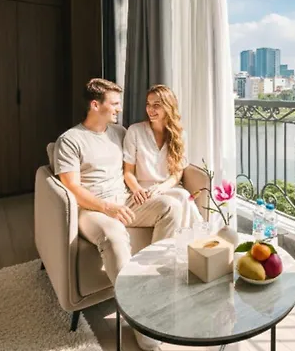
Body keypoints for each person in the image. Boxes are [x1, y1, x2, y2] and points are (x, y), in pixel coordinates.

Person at [52, 78, 179, 351]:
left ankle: (155, 280)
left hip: (124, 200)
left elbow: (135, 164)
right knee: (114, 235)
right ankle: (142, 321)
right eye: (115, 104)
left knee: (171, 206)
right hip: (91, 209)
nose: (119, 109)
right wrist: (107, 207)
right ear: (95, 105)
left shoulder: (119, 132)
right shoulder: (70, 140)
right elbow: (71, 188)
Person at [123, 85, 203, 228]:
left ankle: (191, 236)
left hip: (168, 188)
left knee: (183, 196)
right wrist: (137, 190)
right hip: (144, 192)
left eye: (156, 105)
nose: (150, 109)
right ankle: (197, 234)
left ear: (168, 107)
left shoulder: (180, 135)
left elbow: (177, 172)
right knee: (183, 197)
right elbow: (128, 172)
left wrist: (162, 187)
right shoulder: (135, 131)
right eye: (148, 104)